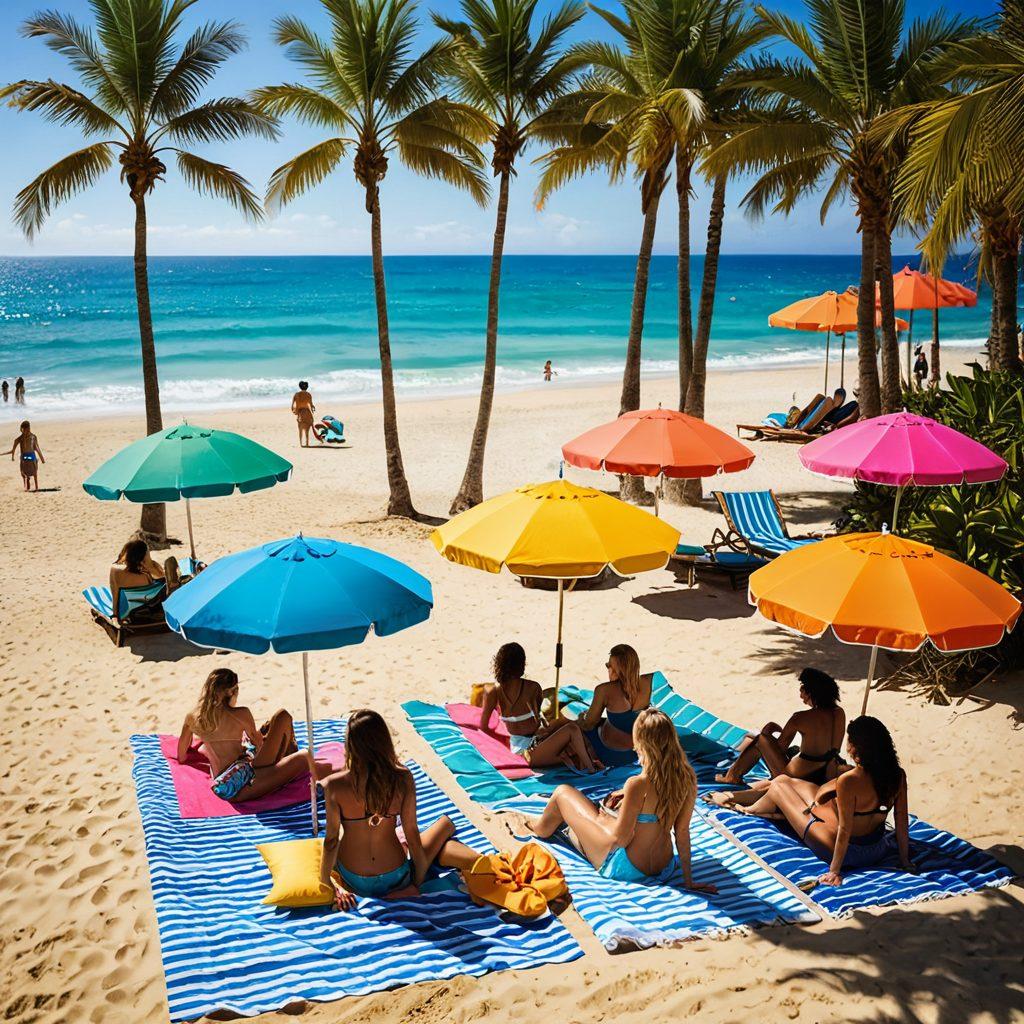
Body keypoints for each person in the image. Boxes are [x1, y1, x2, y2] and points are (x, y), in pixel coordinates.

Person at [505, 708, 717, 891]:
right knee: (596, 817)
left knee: (563, 793)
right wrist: (689, 881)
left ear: (642, 741)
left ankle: (536, 827)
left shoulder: (638, 784)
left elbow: (620, 839)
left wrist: (606, 817)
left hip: (628, 868)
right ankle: (569, 827)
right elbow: (682, 832)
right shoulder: (687, 778)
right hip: (665, 867)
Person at [320, 710, 483, 908]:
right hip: (395, 876)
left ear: (350, 744)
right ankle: (448, 828)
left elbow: (331, 841)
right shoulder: (402, 778)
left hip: (355, 879)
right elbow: (412, 835)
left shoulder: (333, 785)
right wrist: (416, 882)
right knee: (441, 825)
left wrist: (328, 883)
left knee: (338, 847)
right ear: (383, 741)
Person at [727, 716, 913, 885]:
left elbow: (845, 830)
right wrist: (905, 860)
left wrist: (834, 871)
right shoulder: (897, 775)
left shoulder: (850, 780)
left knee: (778, 786)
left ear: (857, 747)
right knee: (785, 780)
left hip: (846, 853)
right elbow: (901, 819)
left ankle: (751, 810)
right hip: (877, 849)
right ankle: (759, 807)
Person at [177, 667, 331, 802]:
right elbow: (259, 748)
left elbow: (181, 756)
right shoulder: (241, 714)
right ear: (232, 692)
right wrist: (263, 742)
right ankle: (296, 765)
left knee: (281, 719)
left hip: (223, 783)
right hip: (241, 785)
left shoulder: (192, 717)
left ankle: (289, 759)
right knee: (304, 755)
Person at [712, 668, 846, 790]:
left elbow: (780, 748)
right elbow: (835, 749)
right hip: (824, 774)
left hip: (795, 777)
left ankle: (732, 776)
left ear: (811, 693)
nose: (801, 696)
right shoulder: (838, 713)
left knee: (760, 739)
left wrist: (767, 732)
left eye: (803, 690)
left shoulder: (799, 718)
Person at [480, 642, 598, 771]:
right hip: (530, 751)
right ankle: (592, 768)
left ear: (499, 664)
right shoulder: (533, 687)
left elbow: (484, 728)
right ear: (522, 664)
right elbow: (538, 722)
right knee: (573, 729)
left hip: (514, 749)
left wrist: (504, 744)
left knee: (570, 734)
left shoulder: (493, 691)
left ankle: (579, 761)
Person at [575, 644, 652, 767]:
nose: (608, 669)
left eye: (609, 666)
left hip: (610, 754)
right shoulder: (649, 682)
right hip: (639, 753)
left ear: (616, 670)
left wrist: (581, 718)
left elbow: (589, 725)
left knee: (571, 727)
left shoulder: (604, 690)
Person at [6, 420, 44, 491]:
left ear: (29, 428)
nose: (24, 431)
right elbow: (15, 442)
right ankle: (26, 486)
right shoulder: (21, 438)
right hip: (24, 457)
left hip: (31, 456)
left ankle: (36, 487)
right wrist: (12, 455)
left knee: (34, 473)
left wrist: (42, 458)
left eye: (25, 429)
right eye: (23, 430)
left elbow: (37, 447)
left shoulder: (33, 437)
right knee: (23, 473)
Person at [291, 381, 317, 447]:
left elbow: (292, 407)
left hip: (300, 413)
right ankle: (307, 443)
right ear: (307, 387)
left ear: (300, 387)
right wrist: (313, 408)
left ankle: (301, 444)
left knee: (300, 430)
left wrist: (295, 411)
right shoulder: (308, 394)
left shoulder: (296, 394)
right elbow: (311, 405)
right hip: (307, 412)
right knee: (307, 430)